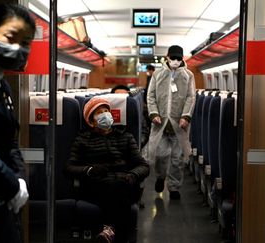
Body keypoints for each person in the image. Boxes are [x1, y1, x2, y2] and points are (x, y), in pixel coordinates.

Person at [0, 3, 36, 243]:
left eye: (26, 44)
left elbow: (11, 140)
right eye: (11, 38)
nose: (18, 49)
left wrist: (20, 179)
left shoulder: (2, 84)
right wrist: (12, 185)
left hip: (4, 201)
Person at [64, 96, 150, 243]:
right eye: (99, 113)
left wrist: (132, 175)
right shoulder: (83, 139)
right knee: (118, 195)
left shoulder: (126, 137)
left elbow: (143, 166)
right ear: (91, 121)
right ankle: (116, 233)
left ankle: (108, 231)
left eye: (106, 110)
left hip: (125, 182)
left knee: (119, 188)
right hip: (96, 185)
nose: (105, 114)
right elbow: (68, 168)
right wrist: (90, 170)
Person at [146, 45, 196, 200]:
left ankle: (174, 188)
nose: (175, 61)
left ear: (182, 59)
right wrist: (153, 113)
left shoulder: (188, 75)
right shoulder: (158, 74)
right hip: (160, 123)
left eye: (178, 58)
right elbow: (151, 95)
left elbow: (191, 97)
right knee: (160, 155)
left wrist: (186, 116)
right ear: (167, 57)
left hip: (180, 124)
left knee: (177, 159)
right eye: (172, 58)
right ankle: (161, 177)